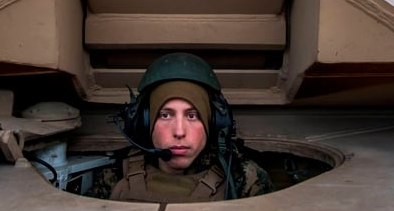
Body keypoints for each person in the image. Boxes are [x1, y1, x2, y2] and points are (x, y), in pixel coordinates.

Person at [90, 52, 274, 202]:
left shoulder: (243, 178)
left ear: (214, 122)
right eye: (165, 115)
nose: (179, 132)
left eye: (192, 116)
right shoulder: (115, 174)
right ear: (145, 122)